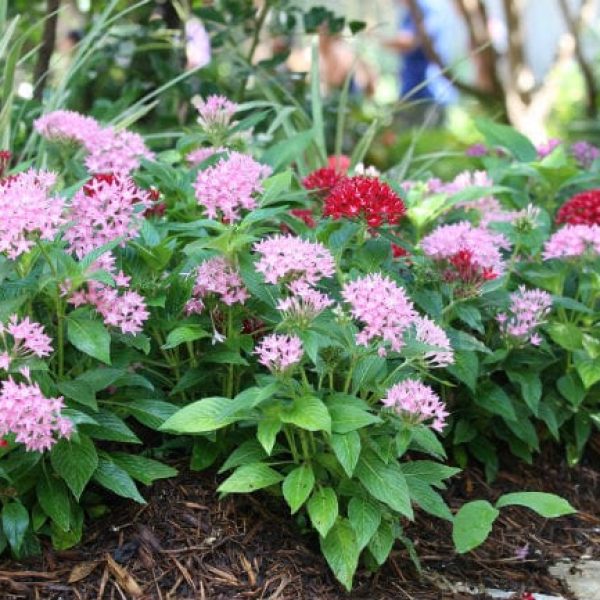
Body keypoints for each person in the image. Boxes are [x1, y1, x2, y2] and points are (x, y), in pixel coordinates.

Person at [384, 0, 457, 125]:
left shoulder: (425, 8)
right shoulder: (412, 11)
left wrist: (372, 36)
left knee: (426, 140)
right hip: (414, 92)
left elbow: (408, 42)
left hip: (429, 93)